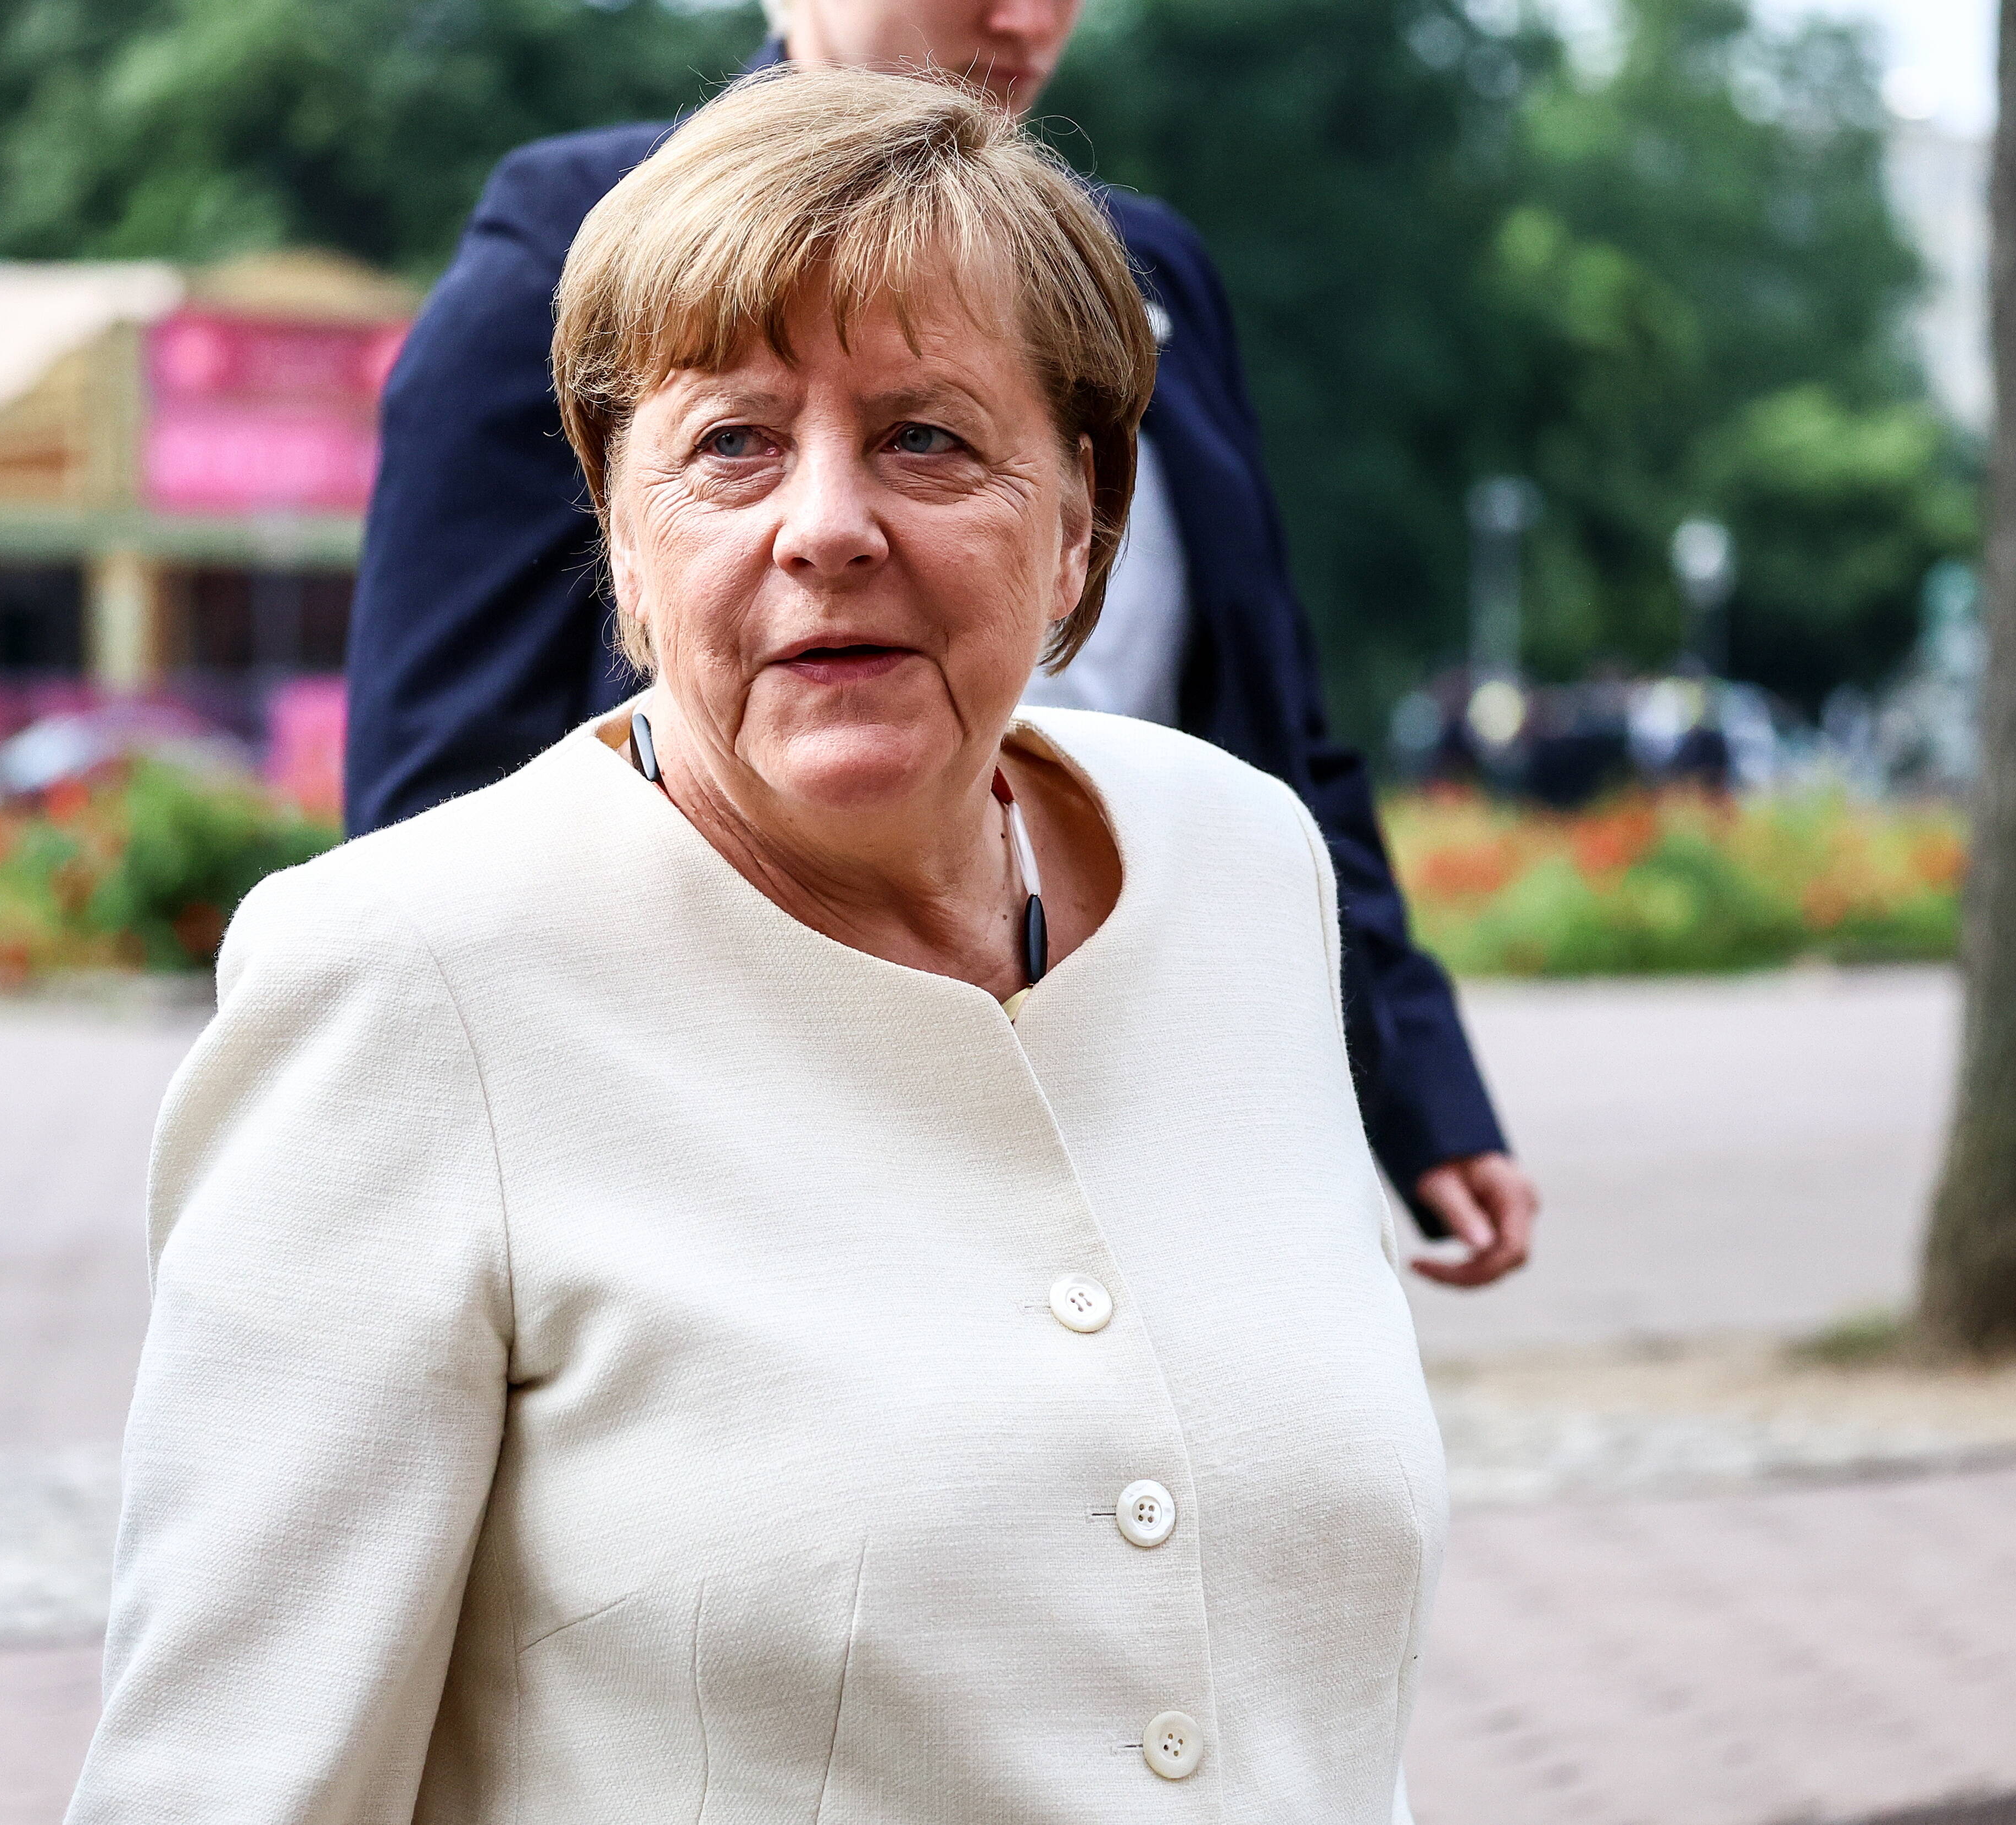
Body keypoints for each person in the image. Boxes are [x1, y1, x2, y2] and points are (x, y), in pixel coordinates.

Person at [69, 68, 1444, 1822]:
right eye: (729, 442)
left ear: (1082, 518)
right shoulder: (411, 981)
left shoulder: (1240, 867)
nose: (825, 524)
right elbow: (230, 1782)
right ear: (625, 540)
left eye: (926, 435)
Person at [345, 0, 1540, 1283]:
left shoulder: (1149, 272)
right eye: (740, 440)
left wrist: (1418, 1090)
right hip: (749, 1108)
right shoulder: (592, 235)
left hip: (1146, 1080)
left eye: (930, 435)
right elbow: (440, 788)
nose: (1023, 15)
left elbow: (1276, 733)